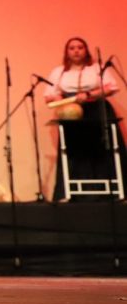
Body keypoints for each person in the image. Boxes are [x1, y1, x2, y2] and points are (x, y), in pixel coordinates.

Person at [43, 37, 123, 202]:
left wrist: (88, 94)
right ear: (67, 52)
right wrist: (60, 98)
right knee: (74, 150)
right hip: (71, 112)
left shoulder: (96, 68)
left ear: (86, 50)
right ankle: (72, 193)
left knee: (103, 148)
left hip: (97, 109)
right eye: (72, 48)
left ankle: (113, 192)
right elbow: (49, 95)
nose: (76, 51)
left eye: (80, 47)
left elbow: (111, 87)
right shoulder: (59, 72)